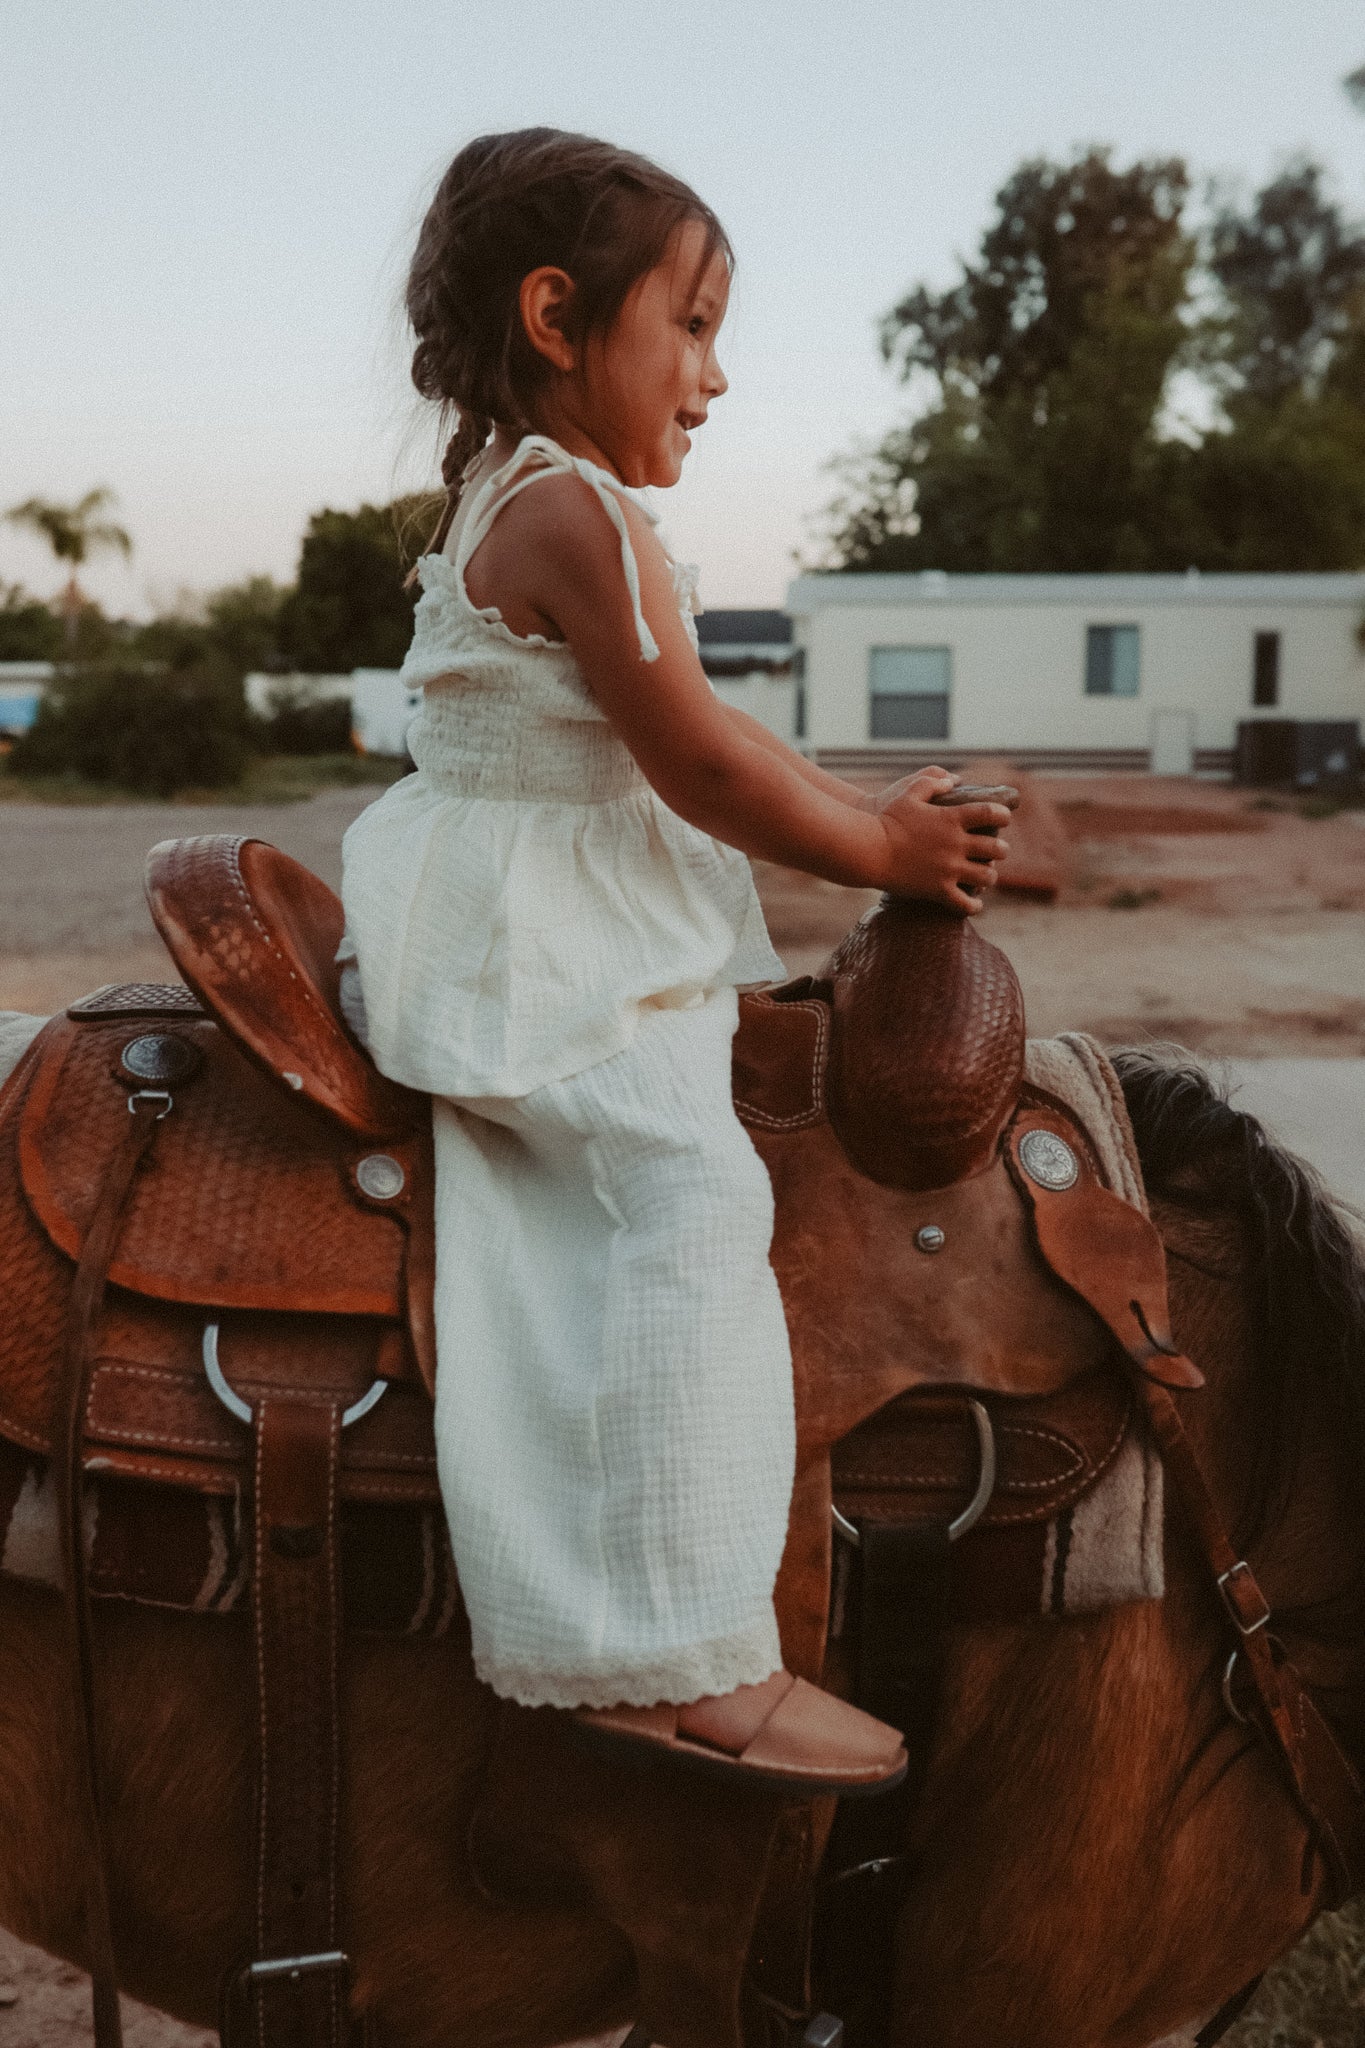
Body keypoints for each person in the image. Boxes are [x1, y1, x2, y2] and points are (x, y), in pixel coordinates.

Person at [339, 128, 1010, 1794]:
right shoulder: (574, 515)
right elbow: (700, 760)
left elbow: (707, 739)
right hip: (526, 944)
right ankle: (656, 1644)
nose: (715, 376)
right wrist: (879, 849)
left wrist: (860, 805)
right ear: (559, 316)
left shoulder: (535, 491)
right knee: (680, 1196)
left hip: (525, 897)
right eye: (690, 326)